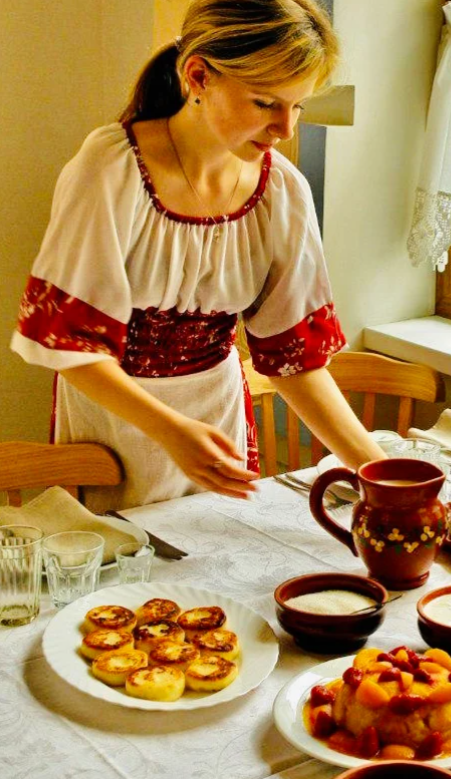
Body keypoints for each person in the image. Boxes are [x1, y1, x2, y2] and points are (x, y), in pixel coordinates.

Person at [11, 0, 385, 512]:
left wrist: (379, 472)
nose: (285, 129)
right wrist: (172, 433)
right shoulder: (111, 169)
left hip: (217, 414)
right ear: (198, 76)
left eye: (298, 106)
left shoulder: (282, 192)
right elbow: (65, 344)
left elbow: (294, 359)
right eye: (265, 103)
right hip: (116, 424)